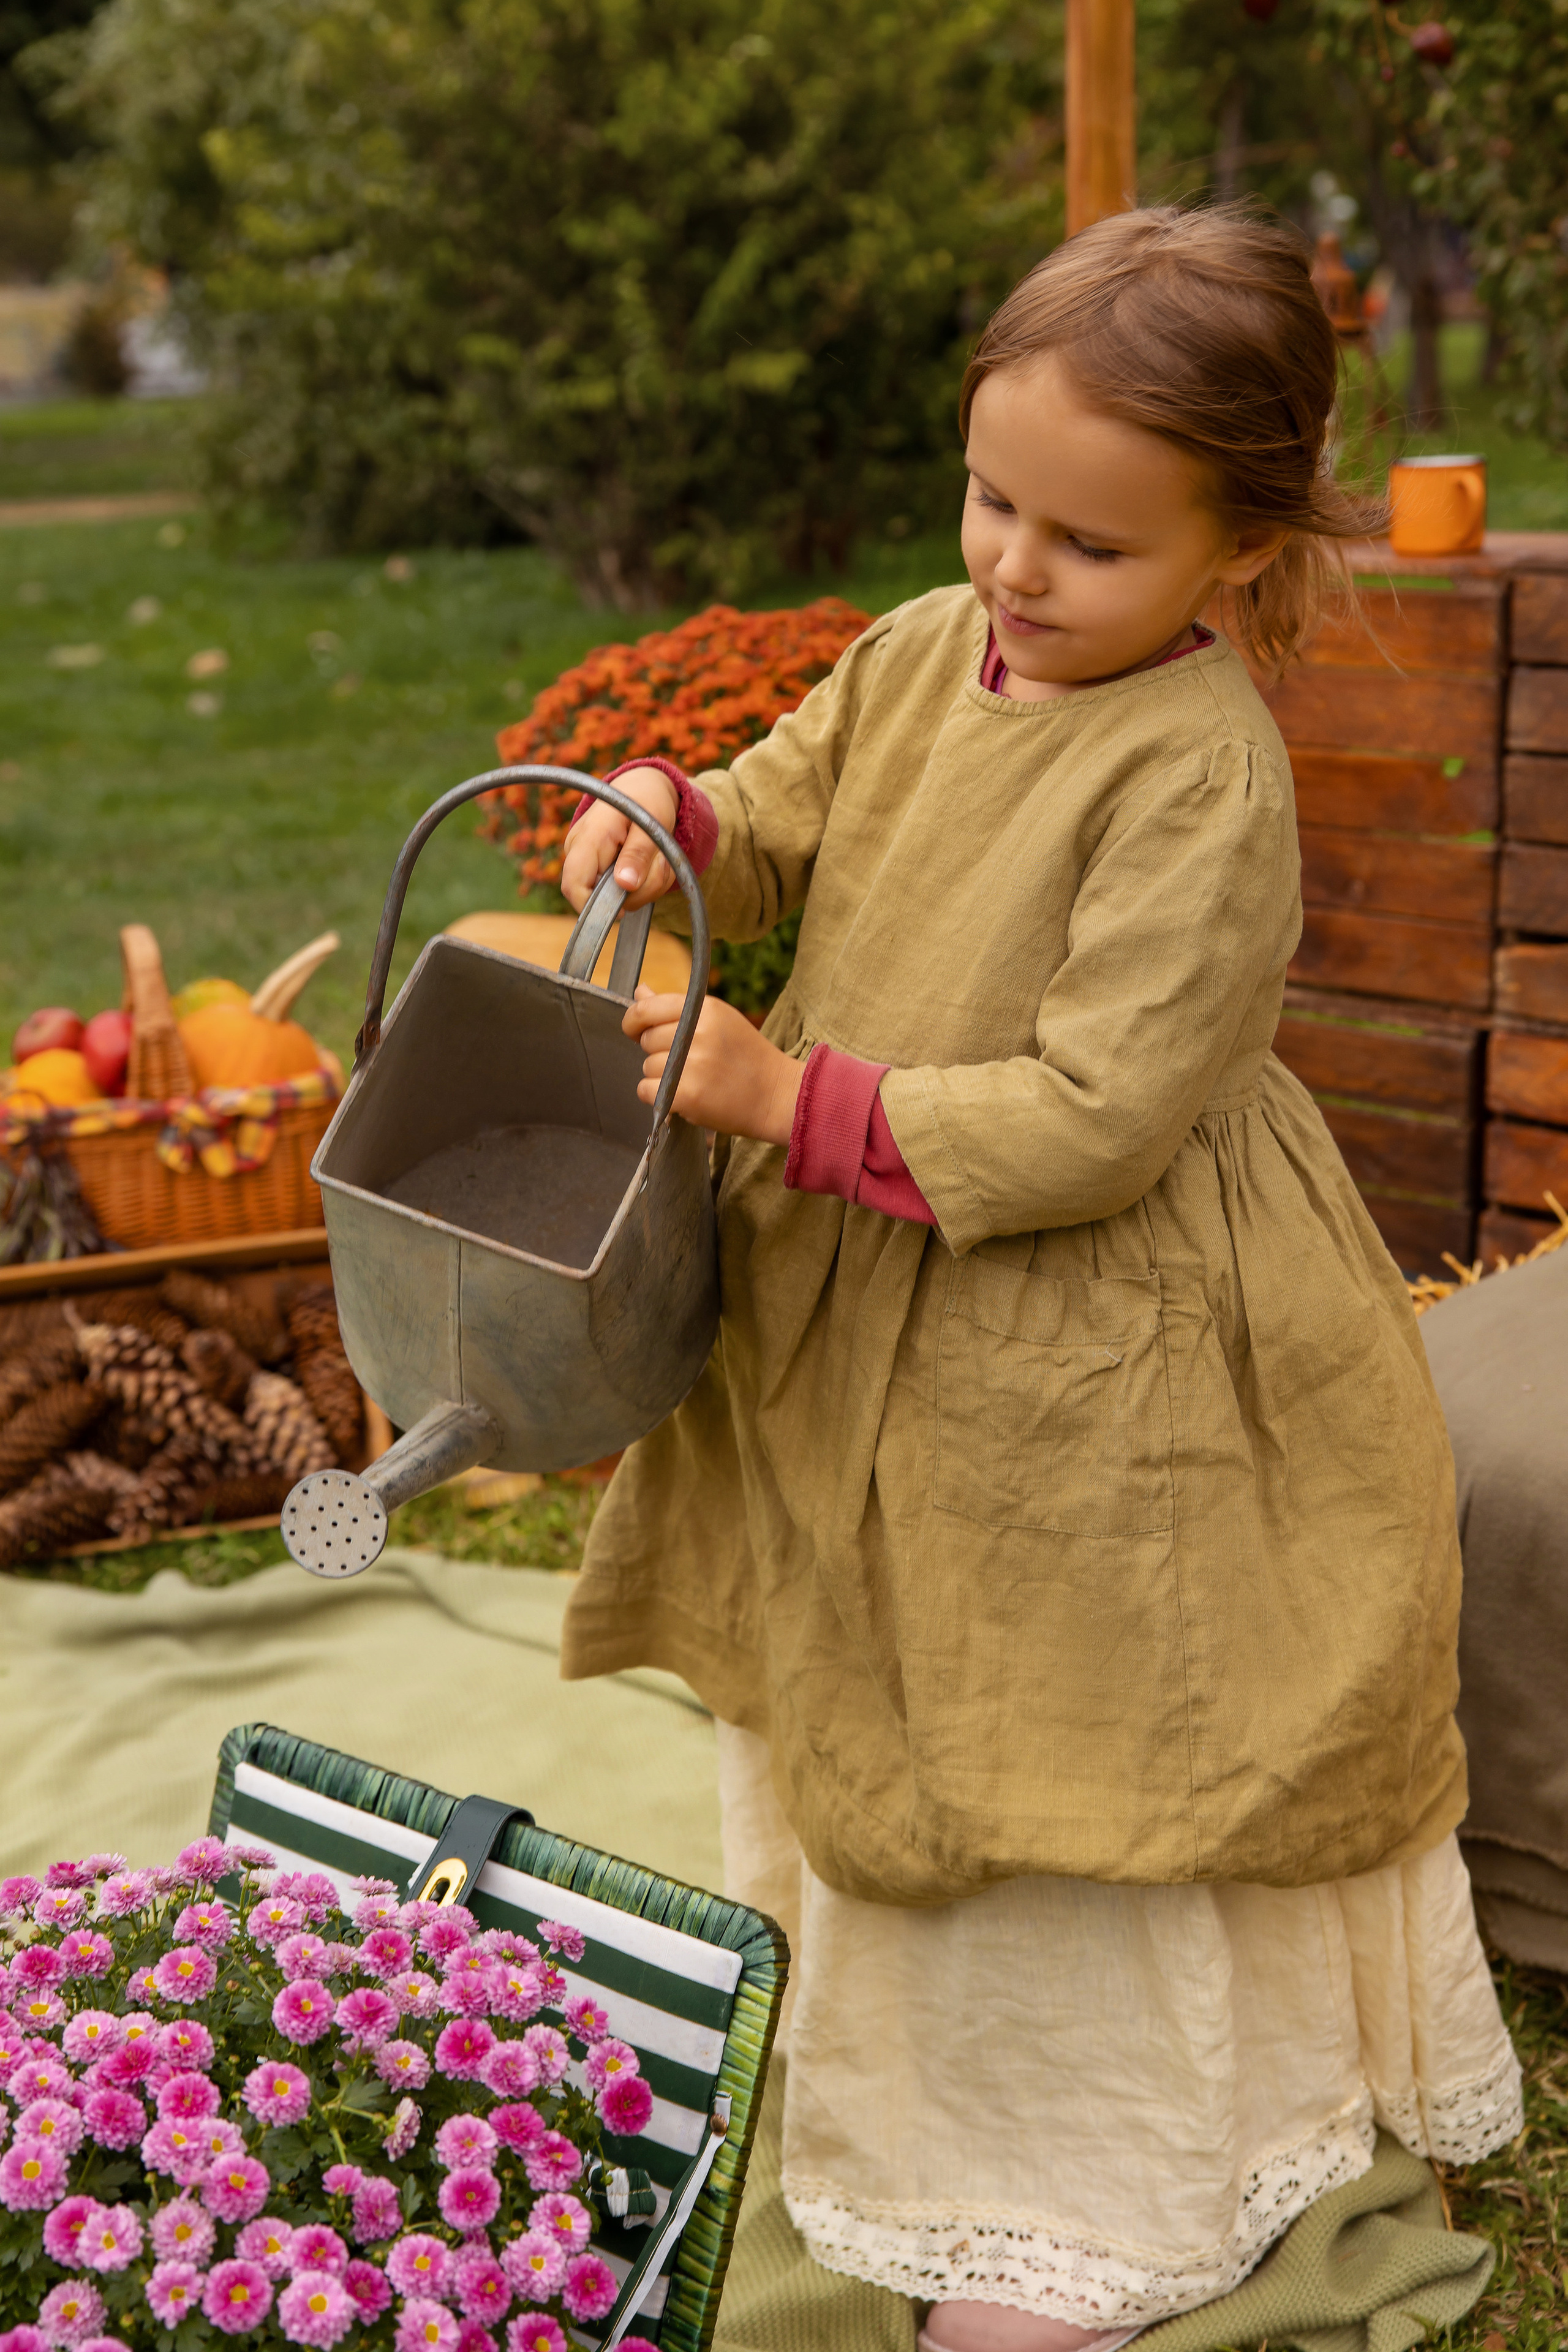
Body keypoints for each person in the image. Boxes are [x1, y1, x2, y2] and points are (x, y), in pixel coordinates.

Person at [557, 206, 1521, 2352]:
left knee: (1070, 1698)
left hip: (1098, 1301)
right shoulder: (925, 645)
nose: (1014, 565)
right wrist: (675, 820)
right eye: (995, 500)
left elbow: (1097, 1111)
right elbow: (792, 806)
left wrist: (781, 1095)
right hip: (865, 1251)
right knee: (865, 1628)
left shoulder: (1201, 775)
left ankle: (1089, 2166)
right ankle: (904, 2084)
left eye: (1086, 543)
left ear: (1241, 553)